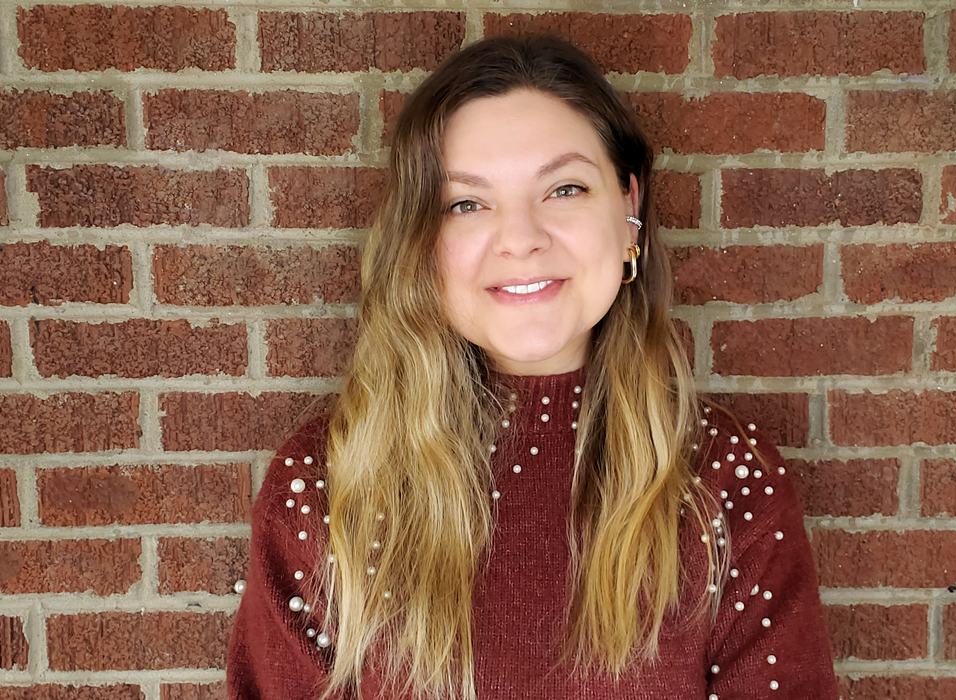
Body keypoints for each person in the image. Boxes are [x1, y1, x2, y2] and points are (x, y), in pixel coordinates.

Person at [225, 33, 838, 700]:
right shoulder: (328, 485)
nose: (520, 238)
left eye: (564, 188)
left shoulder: (728, 484)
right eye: (466, 203)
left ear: (629, 208)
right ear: (421, 241)